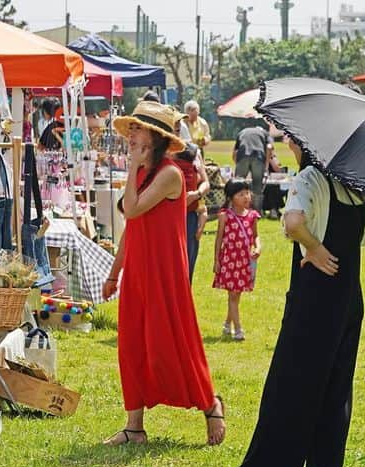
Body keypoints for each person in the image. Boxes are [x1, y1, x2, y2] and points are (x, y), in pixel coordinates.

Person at [195, 137, 365, 467]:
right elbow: (364, 237)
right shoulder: (358, 187)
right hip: (348, 299)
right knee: (335, 390)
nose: (289, 144)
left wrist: (314, 246)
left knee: (288, 386)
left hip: (314, 299)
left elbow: (293, 223)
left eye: (294, 140)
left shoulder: (310, 177)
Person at [101, 101, 225, 447]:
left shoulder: (169, 173)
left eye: (137, 130)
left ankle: (210, 403)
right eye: (131, 130)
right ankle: (134, 426)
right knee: (132, 344)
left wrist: (130, 170)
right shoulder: (142, 171)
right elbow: (131, 225)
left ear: (154, 137)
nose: (130, 135)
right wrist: (114, 273)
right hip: (139, 272)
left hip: (164, 272)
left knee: (174, 342)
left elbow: (135, 207)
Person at [212, 179, 261, 341]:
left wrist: (258, 247)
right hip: (230, 261)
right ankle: (238, 329)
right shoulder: (225, 216)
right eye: (241, 194)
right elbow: (219, 240)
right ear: (231, 197)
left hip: (245, 262)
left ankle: (227, 324)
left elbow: (255, 236)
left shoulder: (253, 216)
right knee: (233, 296)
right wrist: (216, 260)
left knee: (236, 295)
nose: (246, 197)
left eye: (247, 193)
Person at [172, 142, 210, 282]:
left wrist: (197, 194)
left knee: (187, 262)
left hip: (189, 215)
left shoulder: (193, 151)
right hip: (169, 217)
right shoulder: (161, 151)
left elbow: (206, 182)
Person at [233, 124, 272, 212]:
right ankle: (257, 212)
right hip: (258, 157)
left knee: (238, 185)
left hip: (243, 156)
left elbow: (235, 152)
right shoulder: (264, 133)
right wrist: (266, 166)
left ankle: (237, 210)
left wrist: (238, 164)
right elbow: (269, 147)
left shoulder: (242, 131)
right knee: (257, 187)